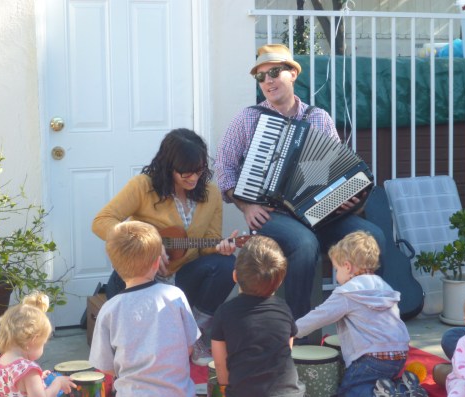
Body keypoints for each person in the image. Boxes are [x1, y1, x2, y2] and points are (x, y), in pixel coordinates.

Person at [214, 43, 385, 322]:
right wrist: (245, 206)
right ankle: (299, 328)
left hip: (321, 215)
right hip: (272, 214)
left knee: (372, 235)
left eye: (275, 72)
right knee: (304, 245)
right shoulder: (248, 119)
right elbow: (224, 169)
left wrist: (346, 199)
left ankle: (368, 318)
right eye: (261, 76)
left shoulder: (318, 118)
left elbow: (334, 171)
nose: (268, 81)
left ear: (293, 73)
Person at [92, 128, 237, 366]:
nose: (193, 179)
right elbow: (101, 221)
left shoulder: (210, 193)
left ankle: (195, 335)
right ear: (168, 166)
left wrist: (220, 247)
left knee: (226, 265)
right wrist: (146, 241)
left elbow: (208, 242)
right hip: (138, 278)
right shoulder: (143, 186)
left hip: (181, 279)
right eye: (185, 173)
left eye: (199, 171)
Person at [294, 231, 423, 397]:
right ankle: (402, 388)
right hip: (399, 354)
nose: (337, 275)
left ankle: (386, 393)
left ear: (347, 267)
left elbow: (320, 316)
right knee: (380, 382)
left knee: (349, 391)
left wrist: (293, 330)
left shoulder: (347, 293)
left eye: (336, 269)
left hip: (371, 359)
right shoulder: (383, 286)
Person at [89, 221, 200, 396]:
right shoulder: (175, 295)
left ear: (115, 267)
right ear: (157, 263)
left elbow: (105, 365)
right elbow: (189, 347)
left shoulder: (110, 309)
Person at [211, 235, 305, 397]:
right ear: (280, 281)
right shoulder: (283, 308)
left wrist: (225, 389)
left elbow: (220, 363)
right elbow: (286, 351)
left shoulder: (224, 312)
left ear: (235, 276)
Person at [0, 291, 76, 397]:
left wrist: (38, 379)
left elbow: (18, 386)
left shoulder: (1, 361)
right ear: (33, 340)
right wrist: (57, 383)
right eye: (43, 343)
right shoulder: (29, 370)